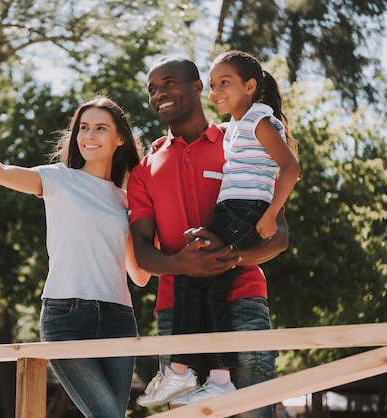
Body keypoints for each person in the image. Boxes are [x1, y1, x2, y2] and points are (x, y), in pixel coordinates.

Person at [0, 96, 150, 418]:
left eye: (101, 128)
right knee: (108, 416)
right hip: (67, 316)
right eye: (83, 128)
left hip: (119, 318)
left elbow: (140, 276)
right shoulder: (59, 179)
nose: (89, 135)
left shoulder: (127, 200)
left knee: (113, 413)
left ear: (119, 139)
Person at [128, 55, 289, 417]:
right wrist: (177, 264)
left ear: (197, 86)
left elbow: (279, 236)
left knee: (253, 411)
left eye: (168, 83)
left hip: (242, 300)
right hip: (176, 310)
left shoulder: (241, 142)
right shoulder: (145, 169)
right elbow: (141, 250)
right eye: (152, 89)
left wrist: (234, 259)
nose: (159, 94)